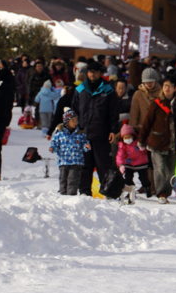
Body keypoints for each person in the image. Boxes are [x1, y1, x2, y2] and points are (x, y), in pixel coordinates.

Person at [139, 77, 176, 204]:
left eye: (169, 86)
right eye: (164, 86)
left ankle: (166, 193)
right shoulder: (156, 103)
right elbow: (147, 122)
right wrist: (141, 139)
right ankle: (161, 194)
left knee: (171, 171)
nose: (167, 89)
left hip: (174, 143)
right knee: (160, 168)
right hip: (157, 142)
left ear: (175, 88)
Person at [73, 63, 118, 196]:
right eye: (90, 72)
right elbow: (74, 110)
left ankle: (108, 192)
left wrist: (113, 130)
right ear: (87, 73)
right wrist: (72, 128)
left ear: (100, 73)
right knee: (84, 166)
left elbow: (113, 112)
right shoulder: (80, 89)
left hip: (101, 134)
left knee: (103, 165)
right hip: (83, 134)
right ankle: (84, 192)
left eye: (96, 72)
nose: (93, 74)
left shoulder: (108, 90)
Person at [49, 109, 91, 196]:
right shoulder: (60, 134)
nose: (75, 122)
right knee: (63, 179)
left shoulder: (80, 133)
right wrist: (52, 148)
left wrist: (86, 146)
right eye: (73, 120)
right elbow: (54, 143)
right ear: (67, 121)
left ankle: (71, 196)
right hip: (63, 161)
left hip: (76, 161)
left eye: (76, 120)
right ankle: (63, 195)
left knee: (73, 179)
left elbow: (85, 144)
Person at [115, 123, 151, 203]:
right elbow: (120, 155)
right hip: (128, 164)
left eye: (129, 137)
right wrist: (121, 165)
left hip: (141, 163)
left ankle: (147, 188)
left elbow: (145, 149)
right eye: (125, 138)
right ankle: (130, 192)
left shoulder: (138, 142)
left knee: (143, 178)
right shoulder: (122, 145)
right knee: (128, 179)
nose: (127, 139)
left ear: (133, 136)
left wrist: (143, 148)